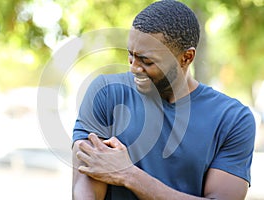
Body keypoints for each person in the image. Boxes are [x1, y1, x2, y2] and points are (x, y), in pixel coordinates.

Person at [72, 0, 256, 199]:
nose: (134, 68)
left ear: (186, 58)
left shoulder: (233, 119)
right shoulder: (106, 93)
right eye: (131, 55)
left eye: (147, 61)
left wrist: (129, 175)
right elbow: (87, 188)